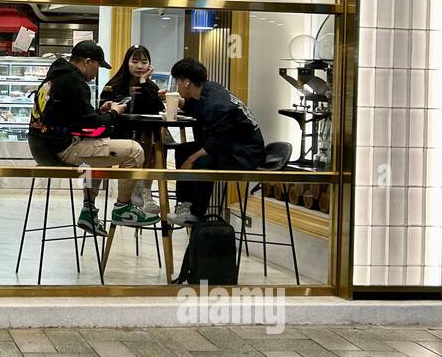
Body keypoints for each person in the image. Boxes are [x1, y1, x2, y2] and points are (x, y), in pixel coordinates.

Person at [29, 39, 159, 236]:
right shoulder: (75, 83)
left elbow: (78, 118)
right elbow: (91, 124)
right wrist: (114, 112)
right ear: (88, 61)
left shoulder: (57, 76)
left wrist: (100, 111)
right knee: (134, 150)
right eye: (98, 65)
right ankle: (123, 208)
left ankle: (89, 210)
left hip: (42, 149)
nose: (98, 71)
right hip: (60, 150)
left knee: (99, 148)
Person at [164, 57, 265, 227]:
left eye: (177, 81)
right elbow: (200, 109)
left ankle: (196, 213)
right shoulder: (210, 89)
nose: (177, 86)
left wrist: (191, 159)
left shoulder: (216, 104)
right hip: (233, 146)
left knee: (202, 161)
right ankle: (185, 205)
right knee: (183, 147)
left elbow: (217, 143)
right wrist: (182, 103)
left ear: (186, 82)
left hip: (246, 153)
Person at [100, 44, 165, 213]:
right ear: (126, 62)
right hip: (117, 135)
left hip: (143, 134)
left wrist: (143, 83)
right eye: (135, 61)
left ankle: (144, 189)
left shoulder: (150, 86)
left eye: (144, 62)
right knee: (144, 138)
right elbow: (104, 110)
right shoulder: (113, 85)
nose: (140, 66)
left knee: (153, 136)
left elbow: (156, 109)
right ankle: (134, 190)